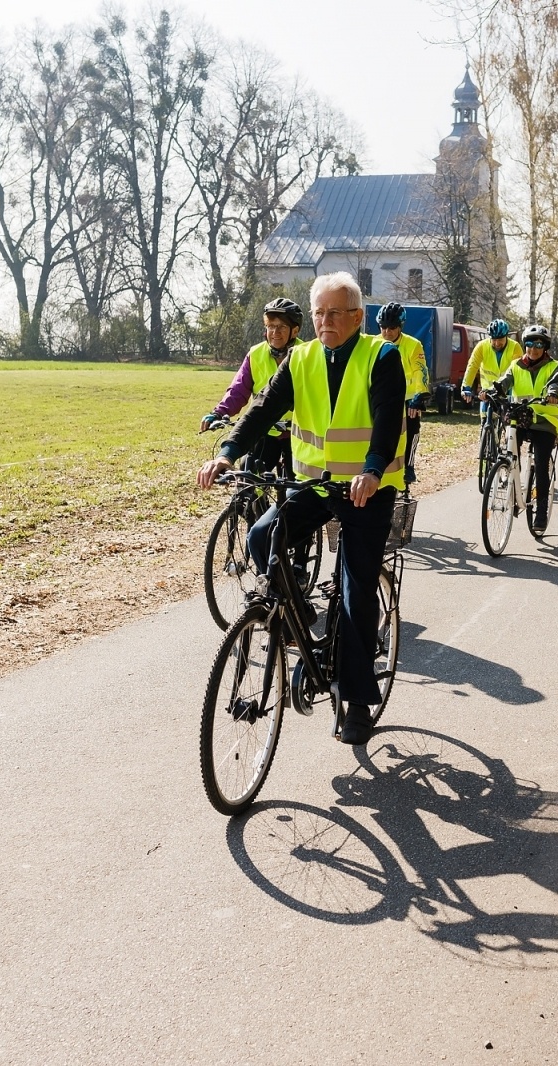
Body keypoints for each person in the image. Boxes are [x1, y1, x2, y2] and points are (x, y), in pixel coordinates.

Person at [196, 271, 405, 746]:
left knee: (355, 592)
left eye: (334, 313)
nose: (324, 321)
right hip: (312, 485)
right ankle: (295, 612)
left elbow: (388, 418)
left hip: (366, 490)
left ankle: (355, 699)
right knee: (260, 536)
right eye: (318, 313)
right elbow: (263, 410)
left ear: (358, 316)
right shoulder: (301, 358)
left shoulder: (382, 357)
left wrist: (372, 470)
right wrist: (227, 452)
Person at [200, 297, 302, 474]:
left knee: (296, 488)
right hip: (263, 429)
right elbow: (238, 389)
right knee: (249, 477)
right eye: (270, 326)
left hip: (298, 434)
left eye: (281, 327)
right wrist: (219, 412)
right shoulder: (256, 354)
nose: (275, 332)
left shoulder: (306, 354)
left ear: (295, 331)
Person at [491, 324, 558, 535]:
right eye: (529, 344)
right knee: (509, 447)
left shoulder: (555, 366)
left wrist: (552, 393)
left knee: (541, 463)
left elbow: (556, 384)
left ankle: (541, 511)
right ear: (524, 345)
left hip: (544, 422)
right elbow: (505, 381)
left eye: (538, 345)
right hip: (521, 418)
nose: (533, 349)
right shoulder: (516, 365)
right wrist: (494, 389)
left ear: (545, 347)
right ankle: (509, 475)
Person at [378, 301, 428, 485]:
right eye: (383, 327)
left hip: (408, 397)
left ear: (400, 327)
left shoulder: (413, 345)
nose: (387, 332)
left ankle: (409, 465)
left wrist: (419, 396)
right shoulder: (374, 344)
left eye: (391, 328)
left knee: (412, 428)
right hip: (381, 396)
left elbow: (420, 371)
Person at [461, 319, 522, 406]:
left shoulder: (515, 347)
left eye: (500, 339)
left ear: (506, 336)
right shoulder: (481, 347)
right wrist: (466, 387)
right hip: (487, 393)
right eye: (494, 339)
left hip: (508, 392)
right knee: (485, 416)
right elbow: (472, 366)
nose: (497, 343)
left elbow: (518, 371)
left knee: (508, 417)